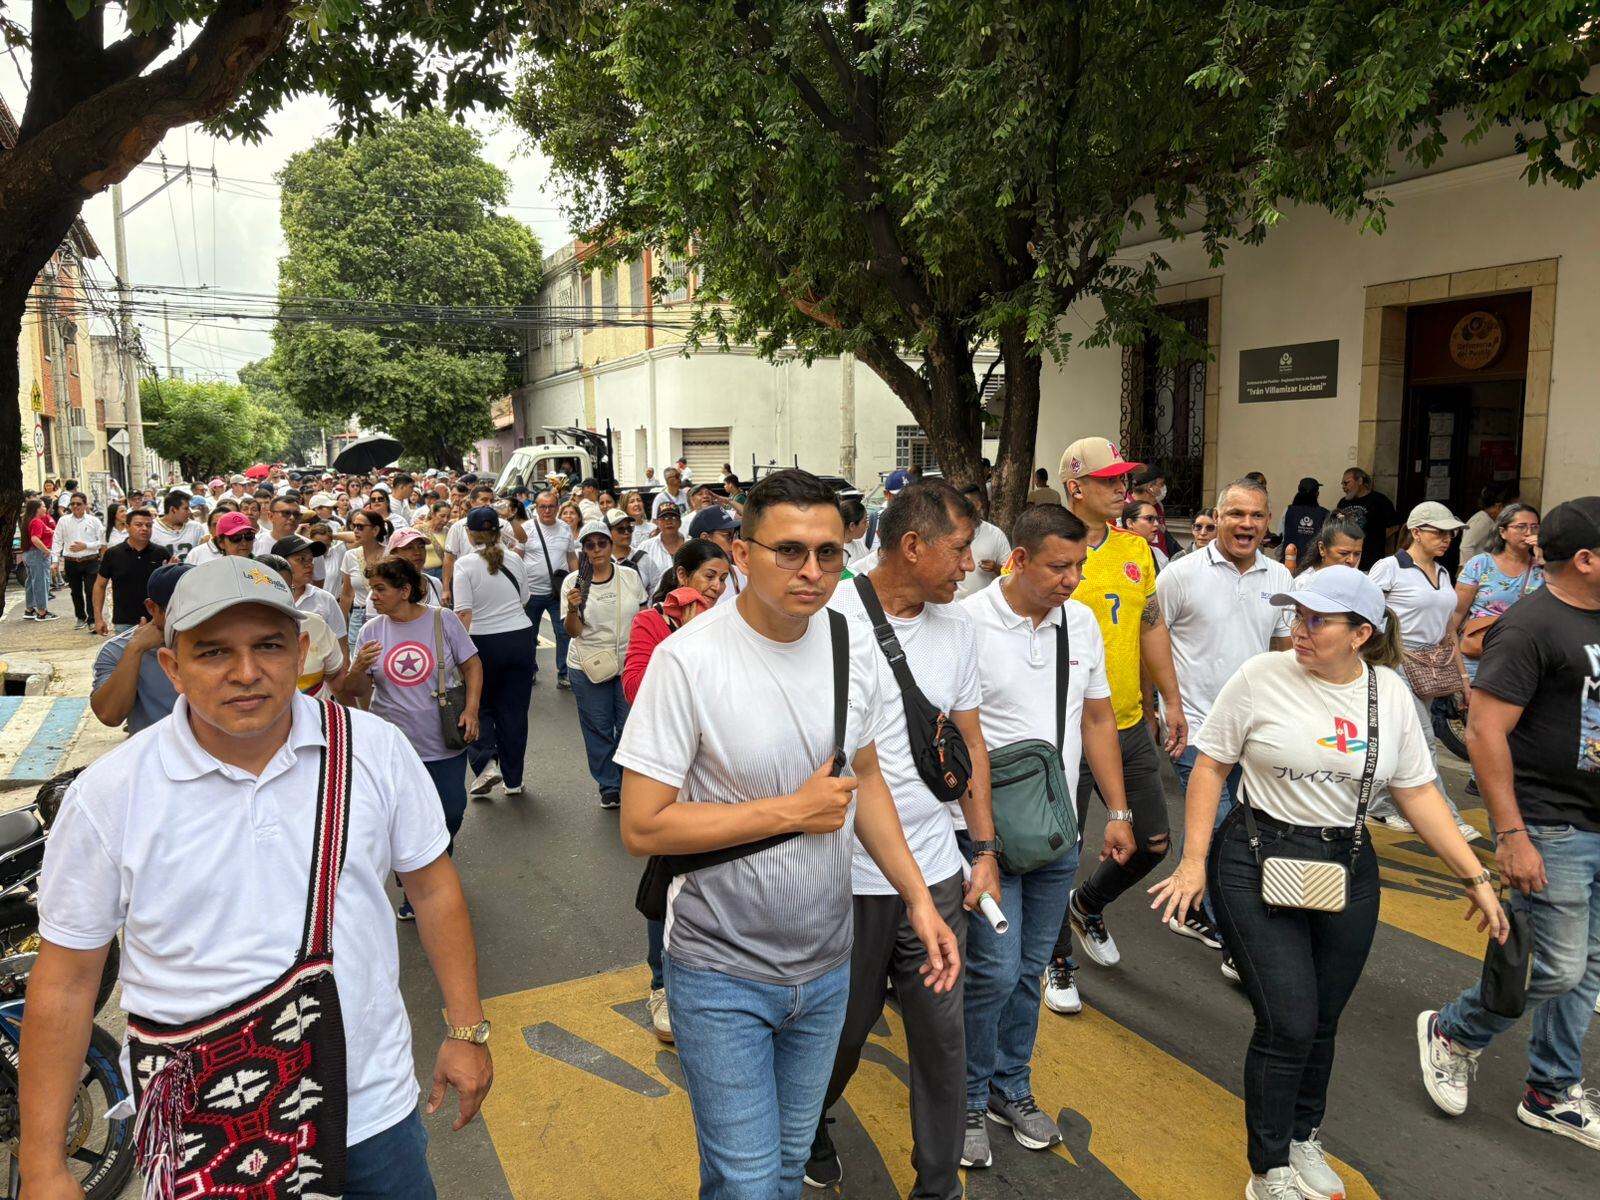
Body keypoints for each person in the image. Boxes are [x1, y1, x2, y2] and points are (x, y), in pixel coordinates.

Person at [24, 556, 495, 1200]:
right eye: (214, 652)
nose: (246, 673)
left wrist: (466, 1030)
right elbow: (67, 980)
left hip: (371, 1112)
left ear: (302, 649)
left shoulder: (374, 750)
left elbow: (434, 890)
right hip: (204, 1126)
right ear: (173, 667)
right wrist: (44, 1164)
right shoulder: (111, 795)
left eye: (268, 646)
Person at [614, 469, 960, 1200]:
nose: (812, 571)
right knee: (744, 1182)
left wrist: (920, 900)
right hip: (719, 972)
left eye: (829, 553)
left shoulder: (847, 642)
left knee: (782, 1167)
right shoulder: (689, 660)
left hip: (827, 966)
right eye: (789, 551)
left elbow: (863, 775)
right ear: (741, 554)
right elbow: (643, 824)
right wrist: (789, 812)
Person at [1150, 565, 1506, 1200]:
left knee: (1322, 1019)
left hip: (1345, 862)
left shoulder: (1389, 693)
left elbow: (1417, 790)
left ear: (1362, 633)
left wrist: (1475, 875)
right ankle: (1270, 1170)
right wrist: (1192, 860)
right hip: (1254, 856)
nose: (1299, 630)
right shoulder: (1261, 676)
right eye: (1296, 616)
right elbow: (1210, 767)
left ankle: (1303, 1134)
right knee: (1287, 1019)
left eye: (1317, 620)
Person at [807, 480, 995, 1197]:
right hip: (845, 879)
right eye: (957, 549)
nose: (969, 564)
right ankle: (814, 1115)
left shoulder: (959, 628)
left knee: (944, 1041)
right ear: (911, 545)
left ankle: (940, 1185)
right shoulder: (829, 617)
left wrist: (984, 853)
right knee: (843, 1035)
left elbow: (970, 745)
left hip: (937, 873)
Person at [1416, 496, 1600, 1151]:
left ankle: (1551, 1091)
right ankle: (1454, 1031)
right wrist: (1512, 834)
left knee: (1589, 968)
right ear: (1585, 558)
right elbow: (1489, 732)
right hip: (1550, 823)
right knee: (1550, 968)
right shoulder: (1530, 626)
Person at [958, 503, 1130, 1166]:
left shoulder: (1079, 623)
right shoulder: (966, 624)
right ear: (1020, 559)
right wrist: (980, 846)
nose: (1073, 579)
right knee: (992, 973)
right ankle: (969, 1099)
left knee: (1030, 969)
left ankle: (1010, 1087)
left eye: (1080, 565)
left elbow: (1096, 722)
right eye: (1060, 566)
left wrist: (1117, 812)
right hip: (984, 835)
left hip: (1055, 833)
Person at [1046, 437, 1186, 1002]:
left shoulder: (1137, 549)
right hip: (1063, 733)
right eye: (1109, 481)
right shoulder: (1044, 545)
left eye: (1124, 479)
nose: (1122, 489)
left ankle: (1089, 905)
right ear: (1076, 487)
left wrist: (1170, 702)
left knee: (1152, 843)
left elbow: (1150, 625)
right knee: (1058, 852)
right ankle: (1055, 961)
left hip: (1126, 724)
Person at [1157, 479, 1295, 975]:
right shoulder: (1179, 575)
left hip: (1257, 734)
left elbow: (1284, 652)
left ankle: (1198, 908)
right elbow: (1152, 637)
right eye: (1237, 514)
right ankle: (1238, 940)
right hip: (1196, 729)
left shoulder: (1280, 577)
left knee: (1254, 832)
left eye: (1257, 516)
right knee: (1216, 833)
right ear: (1217, 518)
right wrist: (1170, 705)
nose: (1247, 524)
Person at [620, 540, 733, 1045]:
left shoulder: (733, 624)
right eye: (708, 576)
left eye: (723, 578)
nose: (716, 587)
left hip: (720, 775)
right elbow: (635, 688)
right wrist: (683, 639)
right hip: (668, 778)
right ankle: (661, 984)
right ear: (682, 574)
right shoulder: (652, 624)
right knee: (667, 880)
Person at [341, 556, 483, 919]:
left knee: (450, 813)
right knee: (403, 823)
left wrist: (471, 709)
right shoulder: (372, 630)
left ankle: (434, 868)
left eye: (380, 589)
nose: (373, 596)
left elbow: (472, 665)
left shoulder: (442, 620)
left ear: (405, 590)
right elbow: (354, 690)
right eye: (371, 588)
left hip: (443, 742)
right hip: (393, 748)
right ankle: (418, 888)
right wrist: (357, 668)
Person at [1365, 502, 1476, 839]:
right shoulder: (1389, 568)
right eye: (1439, 532)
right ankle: (1448, 819)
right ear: (1416, 532)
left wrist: (1463, 678)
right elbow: (1365, 615)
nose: (1447, 539)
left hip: (1431, 667)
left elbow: (1447, 630)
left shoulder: (1443, 574)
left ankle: (1376, 806)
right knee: (1424, 740)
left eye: (1451, 533)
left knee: (1398, 741)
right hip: (1394, 663)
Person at [563, 521, 649, 808]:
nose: (597, 549)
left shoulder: (629, 577)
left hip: (628, 663)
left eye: (602, 543)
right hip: (590, 665)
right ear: (584, 549)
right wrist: (573, 606)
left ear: (611, 545)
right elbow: (573, 632)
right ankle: (609, 786)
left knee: (629, 726)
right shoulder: (574, 582)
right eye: (590, 545)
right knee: (599, 728)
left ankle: (629, 781)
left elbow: (643, 616)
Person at [453, 507, 535, 801]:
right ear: (499, 532)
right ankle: (514, 780)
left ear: (469, 533)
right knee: (514, 712)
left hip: (482, 641)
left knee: (479, 704)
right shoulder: (514, 559)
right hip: (519, 638)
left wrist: (456, 655)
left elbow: (463, 613)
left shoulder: (464, 565)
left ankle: (486, 763)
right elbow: (524, 599)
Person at [89, 562, 192, 732]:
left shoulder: (224, 639)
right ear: (152, 608)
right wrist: (135, 650)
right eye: (179, 610)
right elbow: (109, 715)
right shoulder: (117, 650)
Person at [1452, 502, 1544, 684]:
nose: (1529, 533)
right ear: (1502, 532)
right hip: (1478, 655)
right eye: (1521, 527)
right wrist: (1459, 672)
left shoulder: (1544, 568)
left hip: (1525, 656)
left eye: (1535, 527)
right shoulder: (1480, 564)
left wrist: (1542, 555)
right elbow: (1455, 615)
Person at [256, 552, 348, 699]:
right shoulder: (232, 633)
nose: (276, 599)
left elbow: (337, 680)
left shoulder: (316, 626)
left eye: (284, 590)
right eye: (267, 590)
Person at [525, 489, 580, 690]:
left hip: (558, 593)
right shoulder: (527, 528)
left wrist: (579, 584)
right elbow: (518, 558)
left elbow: (571, 557)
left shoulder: (565, 528)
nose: (547, 510)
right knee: (529, 634)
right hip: (531, 593)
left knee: (564, 632)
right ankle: (530, 669)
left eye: (551, 506)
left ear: (558, 507)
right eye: (543, 506)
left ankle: (564, 673)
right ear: (536, 508)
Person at [93, 509, 172, 635]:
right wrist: (98, 618)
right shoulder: (113, 554)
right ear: (127, 527)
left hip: (157, 621)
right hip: (124, 623)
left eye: (148, 525)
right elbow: (99, 585)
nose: (144, 528)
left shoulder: (161, 553)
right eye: (139, 525)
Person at [276, 533, 351, 662]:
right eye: (301, 559)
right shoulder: (265, 598)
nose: (309, 564)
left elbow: (342, 646)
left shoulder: (325, 599)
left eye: (310, 560)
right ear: (280, 563)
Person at [340, 510, 392, 651]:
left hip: (386, 615)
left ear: (375, 530)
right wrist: (340, 626)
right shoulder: (349, 556)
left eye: (360, 527)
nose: (355, 531)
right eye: (354, 526)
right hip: (358, 617)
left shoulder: (390, 555)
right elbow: (346, 595)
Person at [53, 492, 103, 630]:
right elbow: (57, 540)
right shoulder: (63, 521)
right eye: (72, 504)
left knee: (91, 590)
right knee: (75, 591)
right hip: (71, 561)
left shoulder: (94, 521)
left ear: (85, 505)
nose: (75, 506)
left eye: (78, 504)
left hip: (90, 561)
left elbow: (103, 541)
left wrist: (86, 545)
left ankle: (92, 620)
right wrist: (55, 560)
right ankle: (80, 617)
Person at [954, 483, 1012, 601]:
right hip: (954, 605)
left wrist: (996, 568)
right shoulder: (948, 534)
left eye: (967, 505)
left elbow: (1011, 575)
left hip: (985, 608)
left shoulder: (996, 535)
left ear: (978, 505)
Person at [1337, 467, 1399, 571]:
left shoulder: (1379, 501)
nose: (1344, 487)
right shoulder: (1343, 503)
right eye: (1342, 484)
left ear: (1360, 481)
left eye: (1346, 483)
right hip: (1346, 561)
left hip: (1371, 562)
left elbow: (1393, 527)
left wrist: (1375, 540)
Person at [689, 506, 745, 604]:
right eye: (728, 535)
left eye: (734, 535)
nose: (734, 541)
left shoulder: (739, 573)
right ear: (705, 539)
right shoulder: (684, 575)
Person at [1294, 511, 1365, 586]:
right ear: (1322, 549)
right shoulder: (1304, 584)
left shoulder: (1360, 582)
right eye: (1344, 553)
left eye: (1357, 554)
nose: (1351, 560)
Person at [637, 501, 686, 594]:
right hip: (657, 601)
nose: (669, 521)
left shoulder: (691, 544)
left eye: (673, 517)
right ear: (657, 522)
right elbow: (639, 581)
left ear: (680, 522)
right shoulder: (646, 547)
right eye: (664, 518)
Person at [21, 497, 57, 621]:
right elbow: (35, 539)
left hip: (29, 554)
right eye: (43, 506)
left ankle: (29, 609)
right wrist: (46, 550)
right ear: (37, 509)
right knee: (41, 582)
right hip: (37, 555)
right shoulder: (36, 522)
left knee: (31, 582)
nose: (45, 508)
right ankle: (42, 611)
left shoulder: (29, 520)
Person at [387, 527, 446, 604]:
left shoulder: (435, 583)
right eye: (409, 548)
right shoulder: (383, 589)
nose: (417, 552)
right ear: (393, 554)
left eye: (421, 547)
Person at [1124, 466, 1173, 557]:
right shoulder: (1121, 510)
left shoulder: (1158, 506)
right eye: (1161, 484)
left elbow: (1163, 534)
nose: (1164, 488)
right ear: (1150, 487)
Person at [1460, 481, 1514, 562]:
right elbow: (1466, 547)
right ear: (1499, 506)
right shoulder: (1482, 520)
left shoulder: (1491, 520)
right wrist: (1472, 569)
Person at [1281, 477, 1329, 568]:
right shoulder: (1325, 513)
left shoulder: (1288, 511)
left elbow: (1282, 538)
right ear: (1317, 494)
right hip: (1314, 565)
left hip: (1290, 564)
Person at [148, 490, 207, 557]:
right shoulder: (152, 528)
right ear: (173, 509)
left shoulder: (196, 527)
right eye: (186, 508)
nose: (189, 512)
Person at [1120, 498, 1169, 571]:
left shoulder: (1158, 554)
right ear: (1130, 523)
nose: (1156, 524)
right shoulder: (1114, 554)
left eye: (1157, 519)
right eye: (1149, 518)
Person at [840, 499, 870, 567]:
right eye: (864, 522)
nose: (868, 525)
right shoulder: (835, 554)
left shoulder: (860, 543)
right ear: (852, 526)